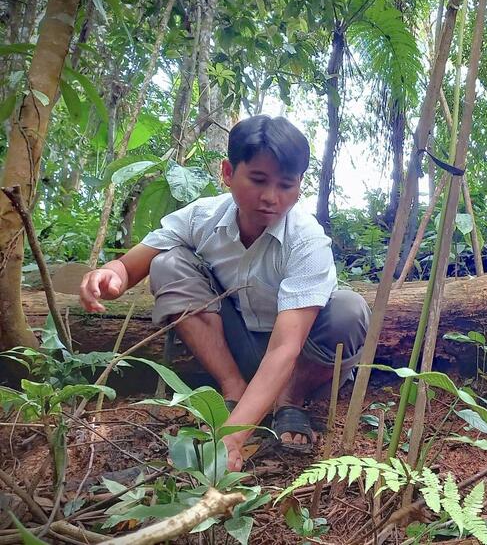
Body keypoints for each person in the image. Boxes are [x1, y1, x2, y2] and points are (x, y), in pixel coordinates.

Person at [80, 115, 371, 470]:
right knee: (167, 263)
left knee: (349, 309)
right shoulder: (202, 217)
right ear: (229, 173)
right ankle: (232, 390)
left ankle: (288, 400)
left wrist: (231, 439)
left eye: (285, 185)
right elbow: (130, 267)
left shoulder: (306, 239)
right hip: (232, 342)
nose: (271, 197)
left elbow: (285, 348)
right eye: (259, 180)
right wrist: (108, 275)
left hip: (296, 355)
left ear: (299, 186)